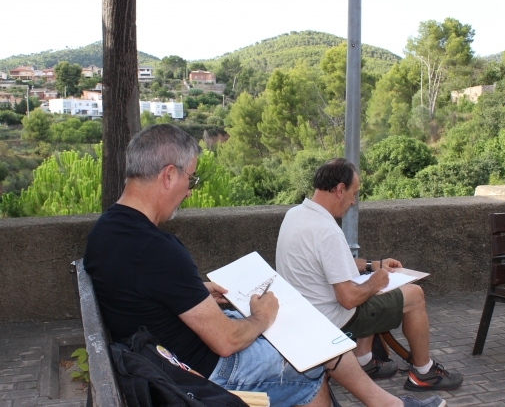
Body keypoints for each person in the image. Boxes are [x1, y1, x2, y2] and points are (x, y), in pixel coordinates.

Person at [83, 125, 446, 407]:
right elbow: (226, 343)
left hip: (160, 358)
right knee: (312, 356)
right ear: (168, 175)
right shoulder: (157, 247)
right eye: (190, 179)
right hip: (202, 371)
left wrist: (197, 293)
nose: (190, 190)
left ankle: (386, 403)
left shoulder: (107, 230)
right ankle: (388, 403)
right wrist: (261, 316)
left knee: (313, 337)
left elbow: (143, 291)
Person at [276, 158, 464, 393]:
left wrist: (374, 266)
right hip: (333, 320)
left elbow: (332, 265)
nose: (353, 202)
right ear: (340, 190)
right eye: (353, 193)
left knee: (370, 288)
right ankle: (423, 372)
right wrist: (375, 283)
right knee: (414, 294)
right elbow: (347, 299)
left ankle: (364, 361)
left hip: (306, 313)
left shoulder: (296, 214)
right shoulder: (327, 230)